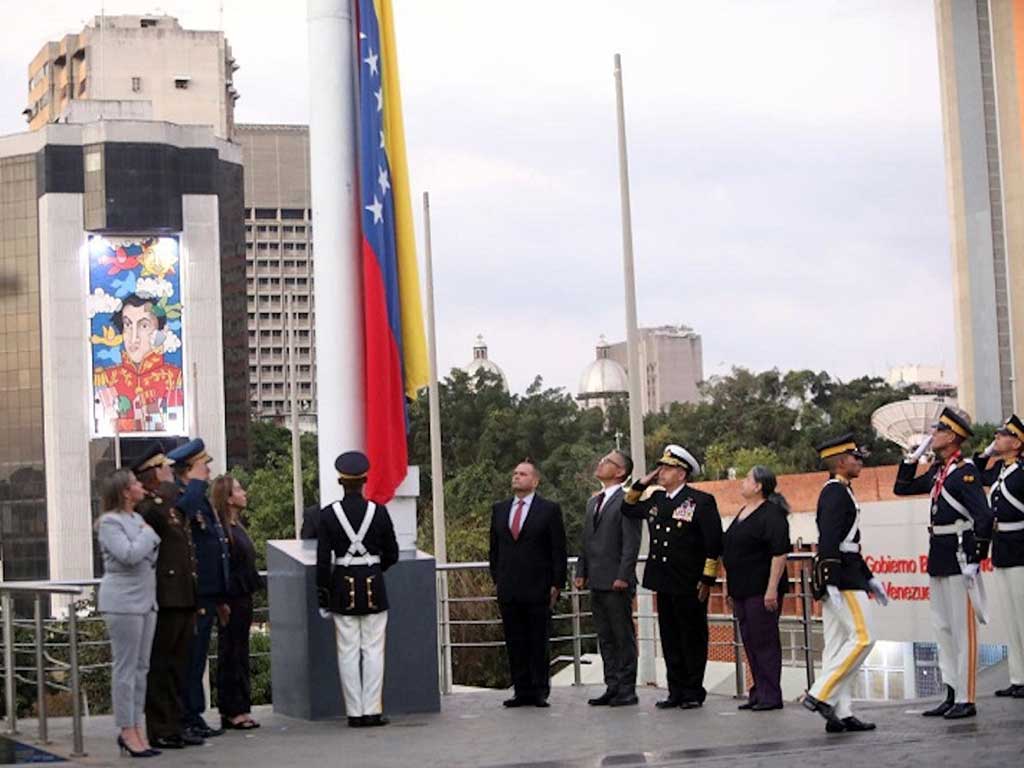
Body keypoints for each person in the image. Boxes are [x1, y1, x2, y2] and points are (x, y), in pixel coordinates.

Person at [893, 407, 993, 719]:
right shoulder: (939, 472)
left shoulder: (965, 472)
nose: (932, 435)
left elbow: (985, 516)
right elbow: (902, 488)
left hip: (960, 554)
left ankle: (967, 698)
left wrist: (976, 558)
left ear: (951, 437)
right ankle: (951, 691)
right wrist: (912, 458)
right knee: (942, 628)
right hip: (939, 554)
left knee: (963, 631)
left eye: (937, 432)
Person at [621, 444, 723, 709]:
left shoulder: (700, 501)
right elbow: (628, 507)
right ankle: (675, 690)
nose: (661, 472)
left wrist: (708, 579)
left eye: (667, 468)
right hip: (663, 579)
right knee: (669, 637)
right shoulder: (656, 500)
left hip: (689, 580)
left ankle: (692, 691)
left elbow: (713, 544)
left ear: (682, 473)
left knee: (692, 637)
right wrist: (642, 483)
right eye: (661, 468)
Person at [801, 435, 885, 733]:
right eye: (855, 457)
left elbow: (850, 542)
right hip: (843, 578)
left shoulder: (842, 491)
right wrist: (831, 581)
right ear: (840, 462)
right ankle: (820, 694)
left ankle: (841, 711)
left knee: (836, 646)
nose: (860, 461)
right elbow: (829, 540)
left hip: (849, 572)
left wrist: (870, 578)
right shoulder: (835, 493)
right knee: (864, 637)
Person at [316, 451, 399, 727]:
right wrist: (374, 568)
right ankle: (372, 710)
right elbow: (393, 553)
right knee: (374, 650)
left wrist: (323, 591)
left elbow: (322, 560)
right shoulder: (379, 512)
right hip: (374, 584)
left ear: (340, 481)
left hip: (342, 586)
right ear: (364, 480)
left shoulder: (327, 515)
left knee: (348, 651)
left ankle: (354, 712)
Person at [133, 445, 203, 750]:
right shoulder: (150, 507)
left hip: (183, 594)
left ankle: (175, 724)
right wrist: (194, 483)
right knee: (161, 665)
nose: (168, 473)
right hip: (164, 596)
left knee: (177, 665)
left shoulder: (166, 505)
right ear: (152, 474)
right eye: (163, 469)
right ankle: (160, 727)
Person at [489, 459, 568, 708]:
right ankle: (520, 690)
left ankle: (539, 691)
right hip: (509, 587)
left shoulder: (549, 509)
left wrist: (557, 583)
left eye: (522, 474)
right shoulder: (500, 509)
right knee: (515, 641)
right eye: (514, 473)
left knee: (537, 640)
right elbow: (494, 548)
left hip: (538, 587)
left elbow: (558, 549)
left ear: (535, 481)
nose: (516, 477)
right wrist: (497, 578)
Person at [96, 468, 162, 758]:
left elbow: (144, 556)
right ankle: (126, 729)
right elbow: (130, 554)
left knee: (141, 668)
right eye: (135, 483)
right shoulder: (109, 522)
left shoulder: (137, 519)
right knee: (125, 670)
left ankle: (137, 726)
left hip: (146, 600)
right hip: (122, 602)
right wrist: (148, 536)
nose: (140, 486)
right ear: (125, 491)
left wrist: (145, 536)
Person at [167, 438, 230, 739]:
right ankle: (187, 716)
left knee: (199, 656)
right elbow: (182, 516)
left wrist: (220, 594)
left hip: (207, 592)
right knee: (190, 659)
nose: (208, 470)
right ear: (188, 470)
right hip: (193, 592)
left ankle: (194, 714)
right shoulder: (183, 496)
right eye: (203, 465)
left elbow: (214, 546)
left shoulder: (199, 496)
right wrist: (194, 484)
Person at [575, 450, 641, 707]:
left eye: (607, 461)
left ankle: (627, 688)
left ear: (620, 472)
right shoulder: (594, 502)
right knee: (605, 636)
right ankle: (612, 685)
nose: (600, 462)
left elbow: (631, 543)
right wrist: (582, 571)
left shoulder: (628, 502)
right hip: (597, 580)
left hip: (616, 581)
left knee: (622, 636)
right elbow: (586, 541)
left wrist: (623, 576)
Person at [723, 465, 791, 712]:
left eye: (747, 479)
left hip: (761, 589)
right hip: (741, 588)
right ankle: (758, 691)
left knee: (765, 642)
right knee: (750, 641)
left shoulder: (771, 514)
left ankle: (771, 694)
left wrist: (771, 588)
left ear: (759, 485)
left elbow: (779, 552)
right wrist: (729, 589)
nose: (743, 482)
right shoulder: (743, 511)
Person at [973, 414, 1024, 698]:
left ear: (1016, 442)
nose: (997, 437)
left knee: (1023, 616)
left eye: (1003, 435)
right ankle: (1018, 678)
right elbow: (977, 472)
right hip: (1003, 548)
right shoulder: (1000, 471)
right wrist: (989, 451)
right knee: (1012, 618)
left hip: (1020, 548)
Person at [212, 475, 264, 729]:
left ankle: (239, 706)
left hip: (242, 596)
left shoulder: (236, 527)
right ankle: (232, 709)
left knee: (240, 651)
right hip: (232, 597)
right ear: (229, 498)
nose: (244, 493)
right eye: (239, 490)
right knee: (231, 651)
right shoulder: (223, 531)